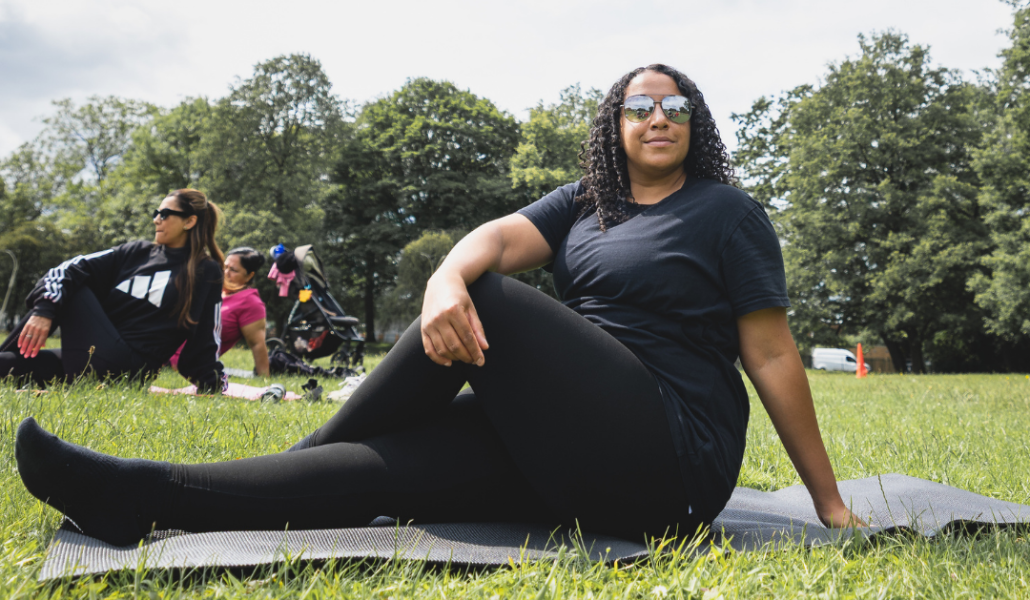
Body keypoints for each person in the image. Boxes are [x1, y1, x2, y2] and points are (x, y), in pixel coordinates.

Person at [14, 64, 864, 548]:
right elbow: (490, 238)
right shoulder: (583, 203)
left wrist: (827, 503)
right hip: (569, 446)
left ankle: (299, 443)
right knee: (385, 469)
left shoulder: (726, 211)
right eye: (637, 107)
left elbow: (773, 353)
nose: (656, 117)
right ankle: (144, 497)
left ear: (694, 122)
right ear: (615, 126)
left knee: (485, 296)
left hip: (671, 453)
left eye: (673, 106)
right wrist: (441, 279)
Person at [0, 189, 225, 393]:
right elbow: (67, 269)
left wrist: (212, 382)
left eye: (165, 214)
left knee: (74, 287)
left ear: (189, 221)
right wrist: (43, 310)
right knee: (7, 364)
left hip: (129, 367)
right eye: (156, 212)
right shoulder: (136, 252)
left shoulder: (205, 270)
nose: (157, 219)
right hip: (92, 357)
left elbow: (207, 336)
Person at [169, 247, 269, 376]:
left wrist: (264, 378)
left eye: (233, 270)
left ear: (249, 275)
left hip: (181, 363)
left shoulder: (250, 302)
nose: (225, 272)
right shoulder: (214, 289)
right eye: (224, 267)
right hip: (164, 350)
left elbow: (257, 344)